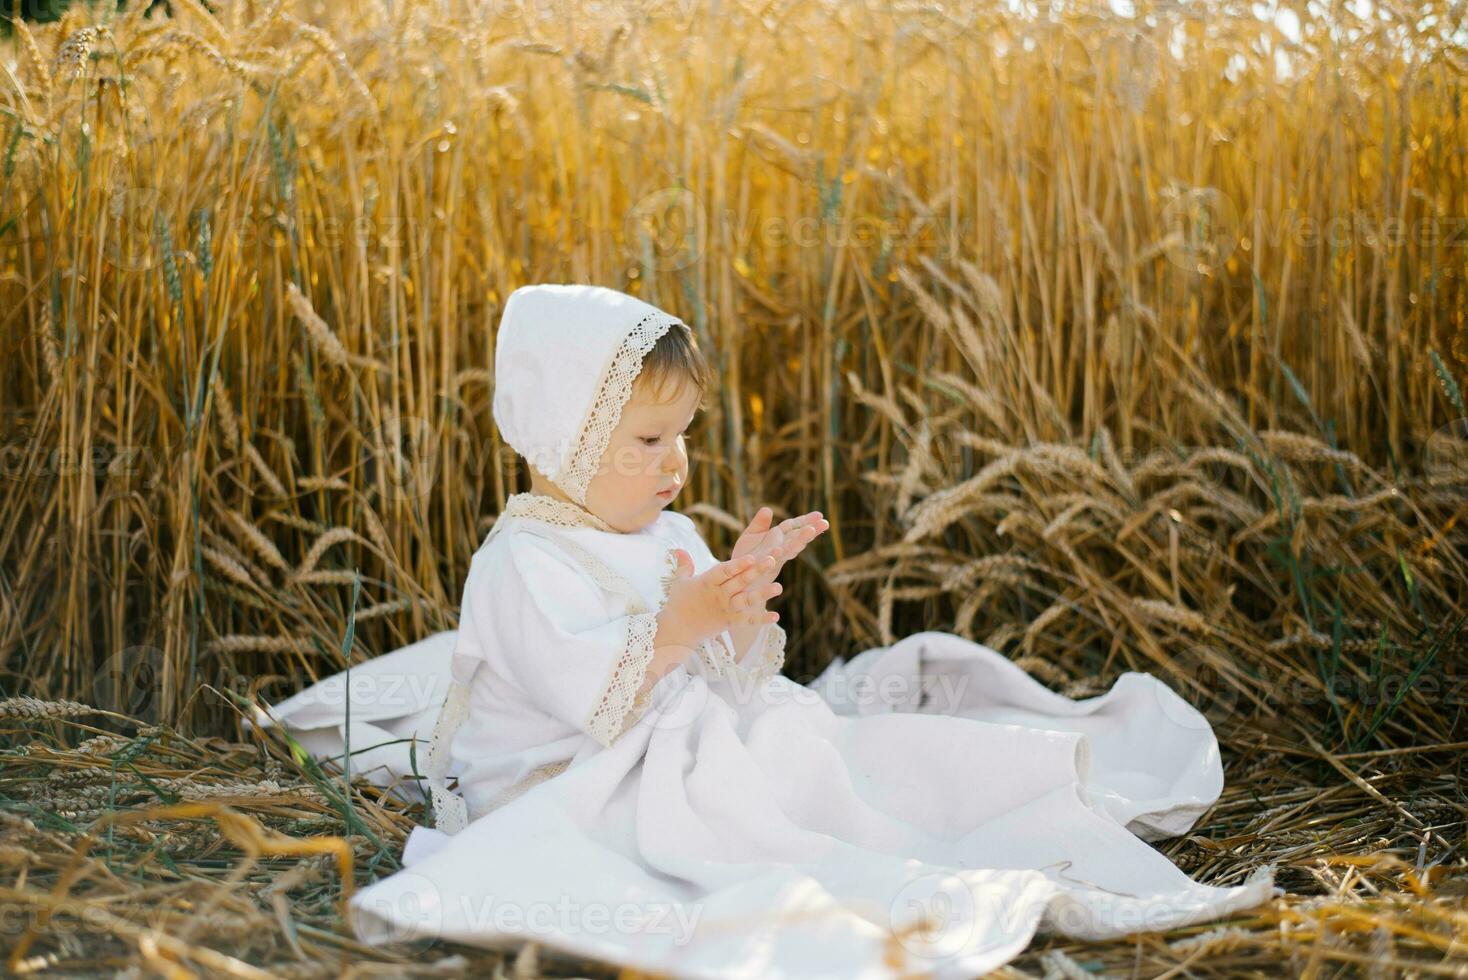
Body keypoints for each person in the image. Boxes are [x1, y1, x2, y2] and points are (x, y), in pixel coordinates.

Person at [251, 283, 1279, 978]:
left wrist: (737, 611)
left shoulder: (668, 529)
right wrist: (687, 617)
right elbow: (592, 695)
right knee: (746, 795)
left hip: (676, 732)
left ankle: (965, 799)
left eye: (682, 437)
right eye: (649, 439)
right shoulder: (521, 563)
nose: (675, 463)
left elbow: (728, 678)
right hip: (567, 768)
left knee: (815, 746)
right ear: (563, 438)